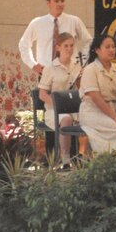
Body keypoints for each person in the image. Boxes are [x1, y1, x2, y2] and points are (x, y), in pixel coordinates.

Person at [19, 0, 91, 76]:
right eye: (56, 1)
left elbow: (89, 41)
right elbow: (23, 45)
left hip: (69, 73)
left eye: (62, 1)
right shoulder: (37, 23)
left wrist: (80, 62)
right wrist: (33, 65)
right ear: (48, 3)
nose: (60, 4)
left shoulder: (74, 21)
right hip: (45, 73)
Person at [38, 33, 82, 165]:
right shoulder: (50, 68)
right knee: (66, 119)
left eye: (71, 45)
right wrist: (59, 106)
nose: (69, 49)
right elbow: (42, 95)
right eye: (65, 46)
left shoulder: (77, 66)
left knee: (91, 116)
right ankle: (65, 158)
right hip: (54, 110)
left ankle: (91, 156)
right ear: (58, 48)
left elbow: (80, 90)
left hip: (75, 108)